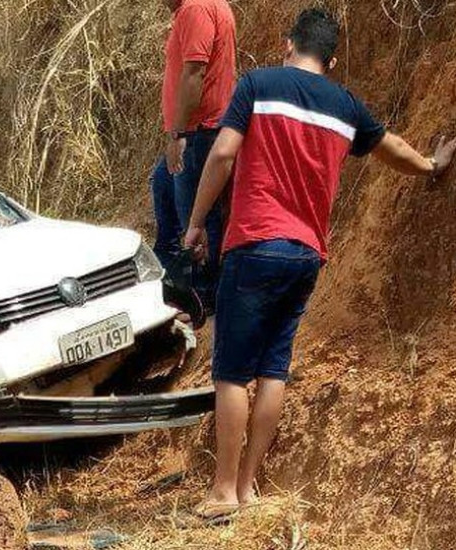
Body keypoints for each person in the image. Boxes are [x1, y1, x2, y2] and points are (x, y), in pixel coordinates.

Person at [183, 8, 456, 519]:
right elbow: (389, 147)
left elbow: (222, 154)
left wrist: (197, 221)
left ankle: (222, 493)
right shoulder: (344, 105)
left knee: (232, 372)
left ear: (289, 44)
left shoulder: (258, 85)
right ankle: (248, 490)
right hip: (306, 254)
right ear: (330, 59)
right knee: (273, 369)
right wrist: (431, 165)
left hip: (255, 243)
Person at [151, 0, 236, 311]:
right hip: (200, 129)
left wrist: (179, 133)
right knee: (162, 183)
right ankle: (173, 279)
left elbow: (194, 72)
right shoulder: (201, 8)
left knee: (197, 217)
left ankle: (203, 296)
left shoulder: (196, 9)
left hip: (198, 131)